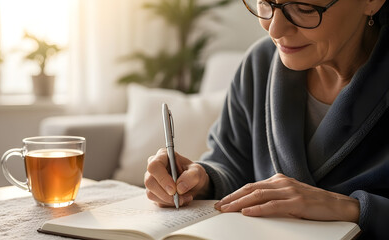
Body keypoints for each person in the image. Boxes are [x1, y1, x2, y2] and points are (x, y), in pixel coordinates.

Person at [144, 0, 389, 239]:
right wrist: (199, 179)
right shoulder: (259, 64)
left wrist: (353, 209)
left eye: (304, 9)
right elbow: (230, 162)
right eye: (266, 4)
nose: (274, 29)